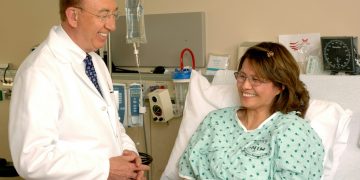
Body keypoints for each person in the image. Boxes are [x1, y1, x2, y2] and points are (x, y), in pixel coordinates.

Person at [8, 0, 149, 179]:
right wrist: (104, 169)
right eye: (103, 15)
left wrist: (128, 153)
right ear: (74, 16)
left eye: (114, 14)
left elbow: (113, 126)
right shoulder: (38, 71)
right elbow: (32, 159)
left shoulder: (95, 62)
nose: (112, 25)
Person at [178, 42, 324, 179]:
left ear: (280, 86)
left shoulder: (292, 130)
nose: (245, 86)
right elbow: (187, 172)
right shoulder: (215, 120)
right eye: (242, 76)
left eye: (256, 79)